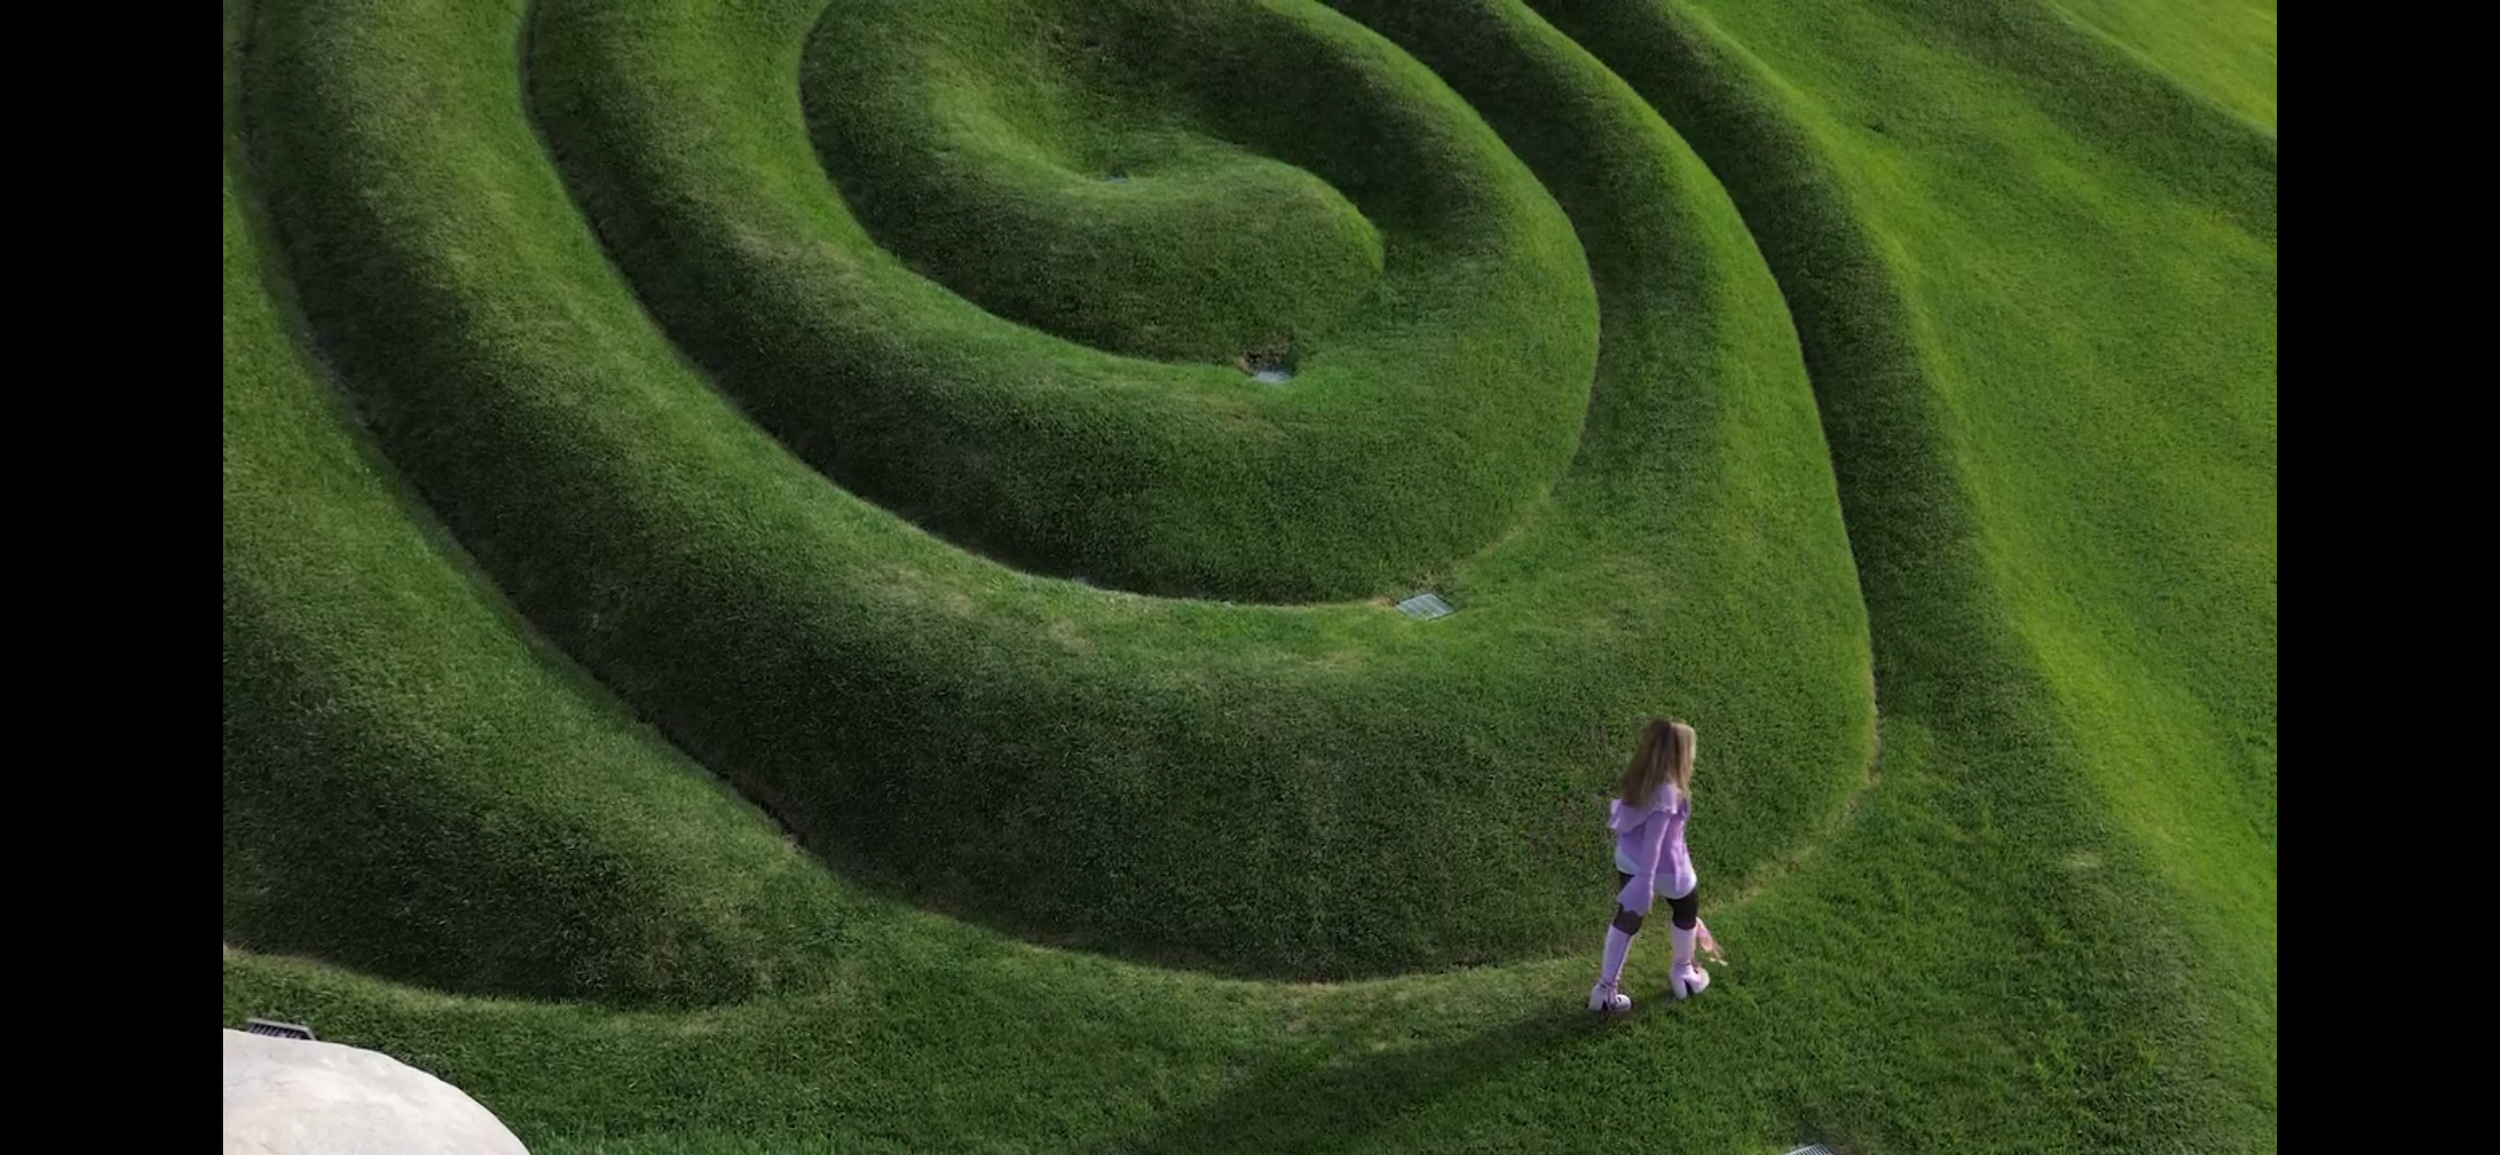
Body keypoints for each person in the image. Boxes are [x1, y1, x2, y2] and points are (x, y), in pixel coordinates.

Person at [1589, 718, 1712, 1013]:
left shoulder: (1640, 777)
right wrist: (1646, 881)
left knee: (1627, 918)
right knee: (1686, 910)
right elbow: (1655, 842)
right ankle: (1683, 972)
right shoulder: (1669, 790)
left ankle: (1604, 990)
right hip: (1663, 866)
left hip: (1627, 857)